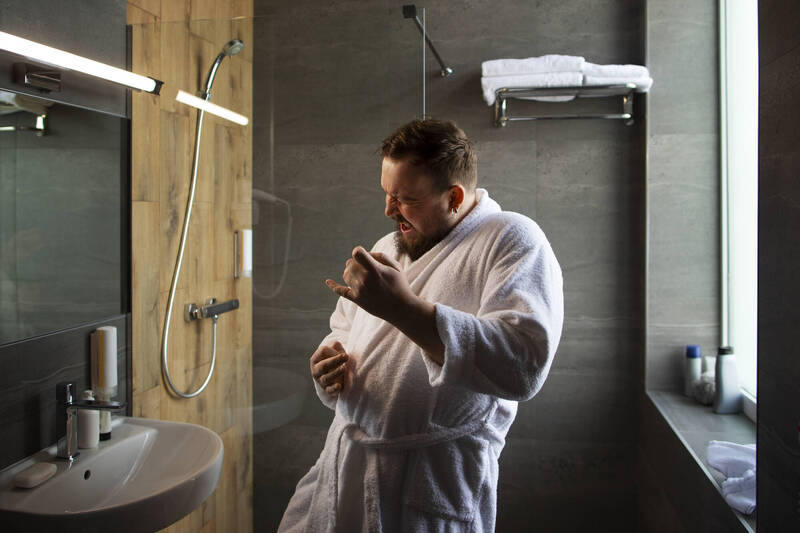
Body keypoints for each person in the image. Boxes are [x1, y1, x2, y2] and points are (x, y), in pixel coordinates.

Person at [278, 118, 564, 532]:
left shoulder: (512, 239)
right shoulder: (389, 245)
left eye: (405, 199)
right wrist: (329, 363)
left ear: (454, 197)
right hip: (345, 464)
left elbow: (523, 364)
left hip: (426, 478)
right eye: (387, 194)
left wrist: (403, 309)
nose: (388, 210)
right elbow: (346, 327)